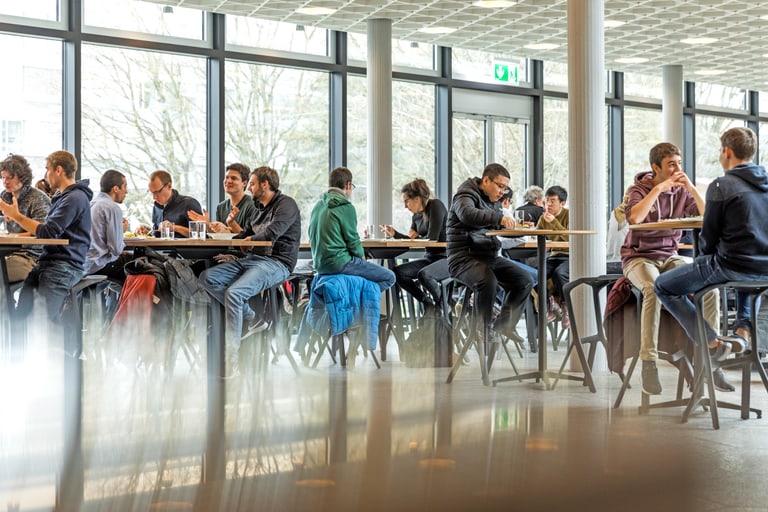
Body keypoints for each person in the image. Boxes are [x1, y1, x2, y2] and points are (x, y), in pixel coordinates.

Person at [655, 127, 768, 371]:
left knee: (663, 286)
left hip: (730, 265)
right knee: (747, 280)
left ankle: (712, 341)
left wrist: (703, 262)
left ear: (727, 152)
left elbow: (708, 235)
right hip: (763, 270)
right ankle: (741, 335)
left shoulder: (722, 185)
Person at [621, 142, 724, 395]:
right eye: (671, 165)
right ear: (655, 168)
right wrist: (658, 189)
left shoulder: (682, 191)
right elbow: (635, 218)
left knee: (710, 289)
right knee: (652, 289)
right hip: (639, 257)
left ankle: (710, 358)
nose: (677, 168)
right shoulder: (638, 189)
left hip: (669, 256)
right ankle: (649, 362)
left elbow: (707, 216)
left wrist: (689, 186)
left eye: (679, 163)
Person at [199, 166, 301, 376]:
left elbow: (272, 233)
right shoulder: (258, 207)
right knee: (207, 277)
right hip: (253, 259)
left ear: (265, 184)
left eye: (252, 183)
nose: (250, 187)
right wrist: (225, 236)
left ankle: (231, 361)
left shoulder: (286, 205)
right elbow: (246, 233)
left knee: (234, 293)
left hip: (277, 263)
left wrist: (247, 241)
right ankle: (253, 316)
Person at [0, 150, 92, 323]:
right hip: (48, 261)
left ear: (58, 170)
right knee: (21, 319)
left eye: (47, 169)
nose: (45, 175)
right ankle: (10, 345)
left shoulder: (74, 198)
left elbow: (48, 231)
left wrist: (17, 216)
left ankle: (57, 349)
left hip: (64, 265)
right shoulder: (63, 198)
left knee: (42, 325)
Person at [446, 163, 535, 341]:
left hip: (488, 256)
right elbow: (467, 214)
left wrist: (520, 228)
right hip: (464, 257)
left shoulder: (492, 201)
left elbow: (493, 227)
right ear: (486, 180)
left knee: (525, 280)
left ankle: (502, 325)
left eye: (506, 188)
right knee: (488, 281)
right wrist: (500, 218)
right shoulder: (465, 194)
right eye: (500, 186)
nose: (503, 191)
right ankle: (482, 331)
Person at [308, 166, 395, 291]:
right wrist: (363, 259)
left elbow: (312, 235)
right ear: (348, 185)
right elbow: (353, 240)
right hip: (339, 263)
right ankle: (359, 301)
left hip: (320, 265)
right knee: (389, 277)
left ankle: (354, 297)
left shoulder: (318, 205)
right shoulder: (346, 207)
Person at [382, 178, 448, 310]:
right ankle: (427, 303)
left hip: (446, 258)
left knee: (424, 275)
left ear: (417, 199)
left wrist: (417, 236)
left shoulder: (435, 206)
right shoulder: (416, 216)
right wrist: (395, 233)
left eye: (406, 201)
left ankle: (443, 306)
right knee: (397, 273)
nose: (405, 206)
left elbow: (432, 239)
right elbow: (414, 239)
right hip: (430, 258)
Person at [0, 154, 52, 283]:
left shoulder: (38, 198)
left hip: (30, 256)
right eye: (3, 177)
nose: (5, 182)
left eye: (10, 178)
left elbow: (42, 232)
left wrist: (13, 234)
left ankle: (6, 303)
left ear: (22, 177)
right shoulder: (4, 197)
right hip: (6, 253)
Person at [84, 169, 132, 281]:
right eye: (125, 187)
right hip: (99, 265)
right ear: (116, 188)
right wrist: (120, 230)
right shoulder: (112, 208)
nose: (126, 192)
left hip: (85, 264)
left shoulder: (91, 204)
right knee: (145, 266)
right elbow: (116, 249)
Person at [536, 185, 571, 327]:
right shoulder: (543, 218)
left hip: (569, 255)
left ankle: (566, 307)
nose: (548, 204)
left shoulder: (569, 215)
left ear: (562, 203)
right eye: (547, 201)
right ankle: (551, 303)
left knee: (560, 273)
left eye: (552, 201)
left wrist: (554, 223)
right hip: (554, 255)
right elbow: (537, 236)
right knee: (536, 274)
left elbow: (569, 238)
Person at [188, 162, 255, 234]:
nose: (228, 181)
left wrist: (231, 224)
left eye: (234, 178)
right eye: (226, 177)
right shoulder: (221, 207)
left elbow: (249, 239)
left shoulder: (252, 205)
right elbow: (218, 237)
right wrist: (207, 224)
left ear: (244, 183)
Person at [136, 170, 202, 238]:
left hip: (183, 248)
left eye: (157, 192)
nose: (154, 197)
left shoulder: (188, 204)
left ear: (169, 186)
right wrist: (147, 231)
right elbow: (157, 234)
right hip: (159, 248)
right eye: (152, 193)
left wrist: (174, 227)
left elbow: (200, 234)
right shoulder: (156, 207)